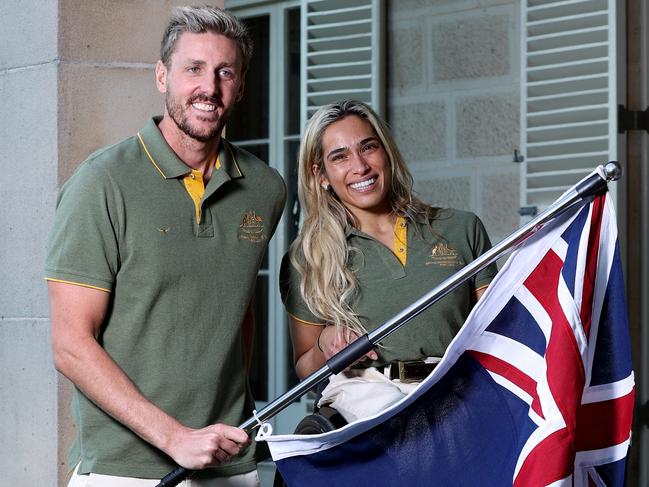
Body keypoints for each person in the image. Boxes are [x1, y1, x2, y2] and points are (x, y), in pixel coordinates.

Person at [45, 6, 286, 486]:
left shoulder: (265, 188)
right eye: (193, 69)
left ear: (239, 86)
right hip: (124, 469)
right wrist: (174, 436)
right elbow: (71, 344)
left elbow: (236, 309)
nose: (209, 87)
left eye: (225, 72)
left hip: (229, 463)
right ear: (162, 76)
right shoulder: (102, 181)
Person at [280, 100, 497, 422]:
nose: (360, 166)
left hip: (456, 390)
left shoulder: (460, 228)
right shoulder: (307, 257)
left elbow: (497, 330)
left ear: (386, 152)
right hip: (366, 397)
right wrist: (326, 343)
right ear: (321, 174)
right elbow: (304, 366)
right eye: (339, 157)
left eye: (368, 148)